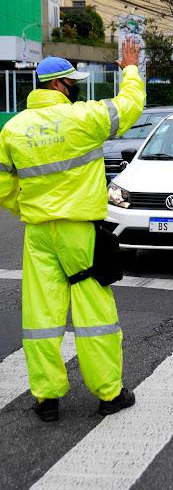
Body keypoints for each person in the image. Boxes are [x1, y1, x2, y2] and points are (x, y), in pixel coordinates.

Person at [0, 39, 145, 422]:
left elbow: (3, 187)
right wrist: (130, 68)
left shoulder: (13, 129)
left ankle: (46, 400)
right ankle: (109, 395)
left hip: (38, 235)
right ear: (60, 86)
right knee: (95, 316)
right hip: (80, 233)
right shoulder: (84, 118)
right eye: (72, 82)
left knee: (41, 318)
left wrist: (27, 206)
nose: (75, 87)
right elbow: (130, 106)